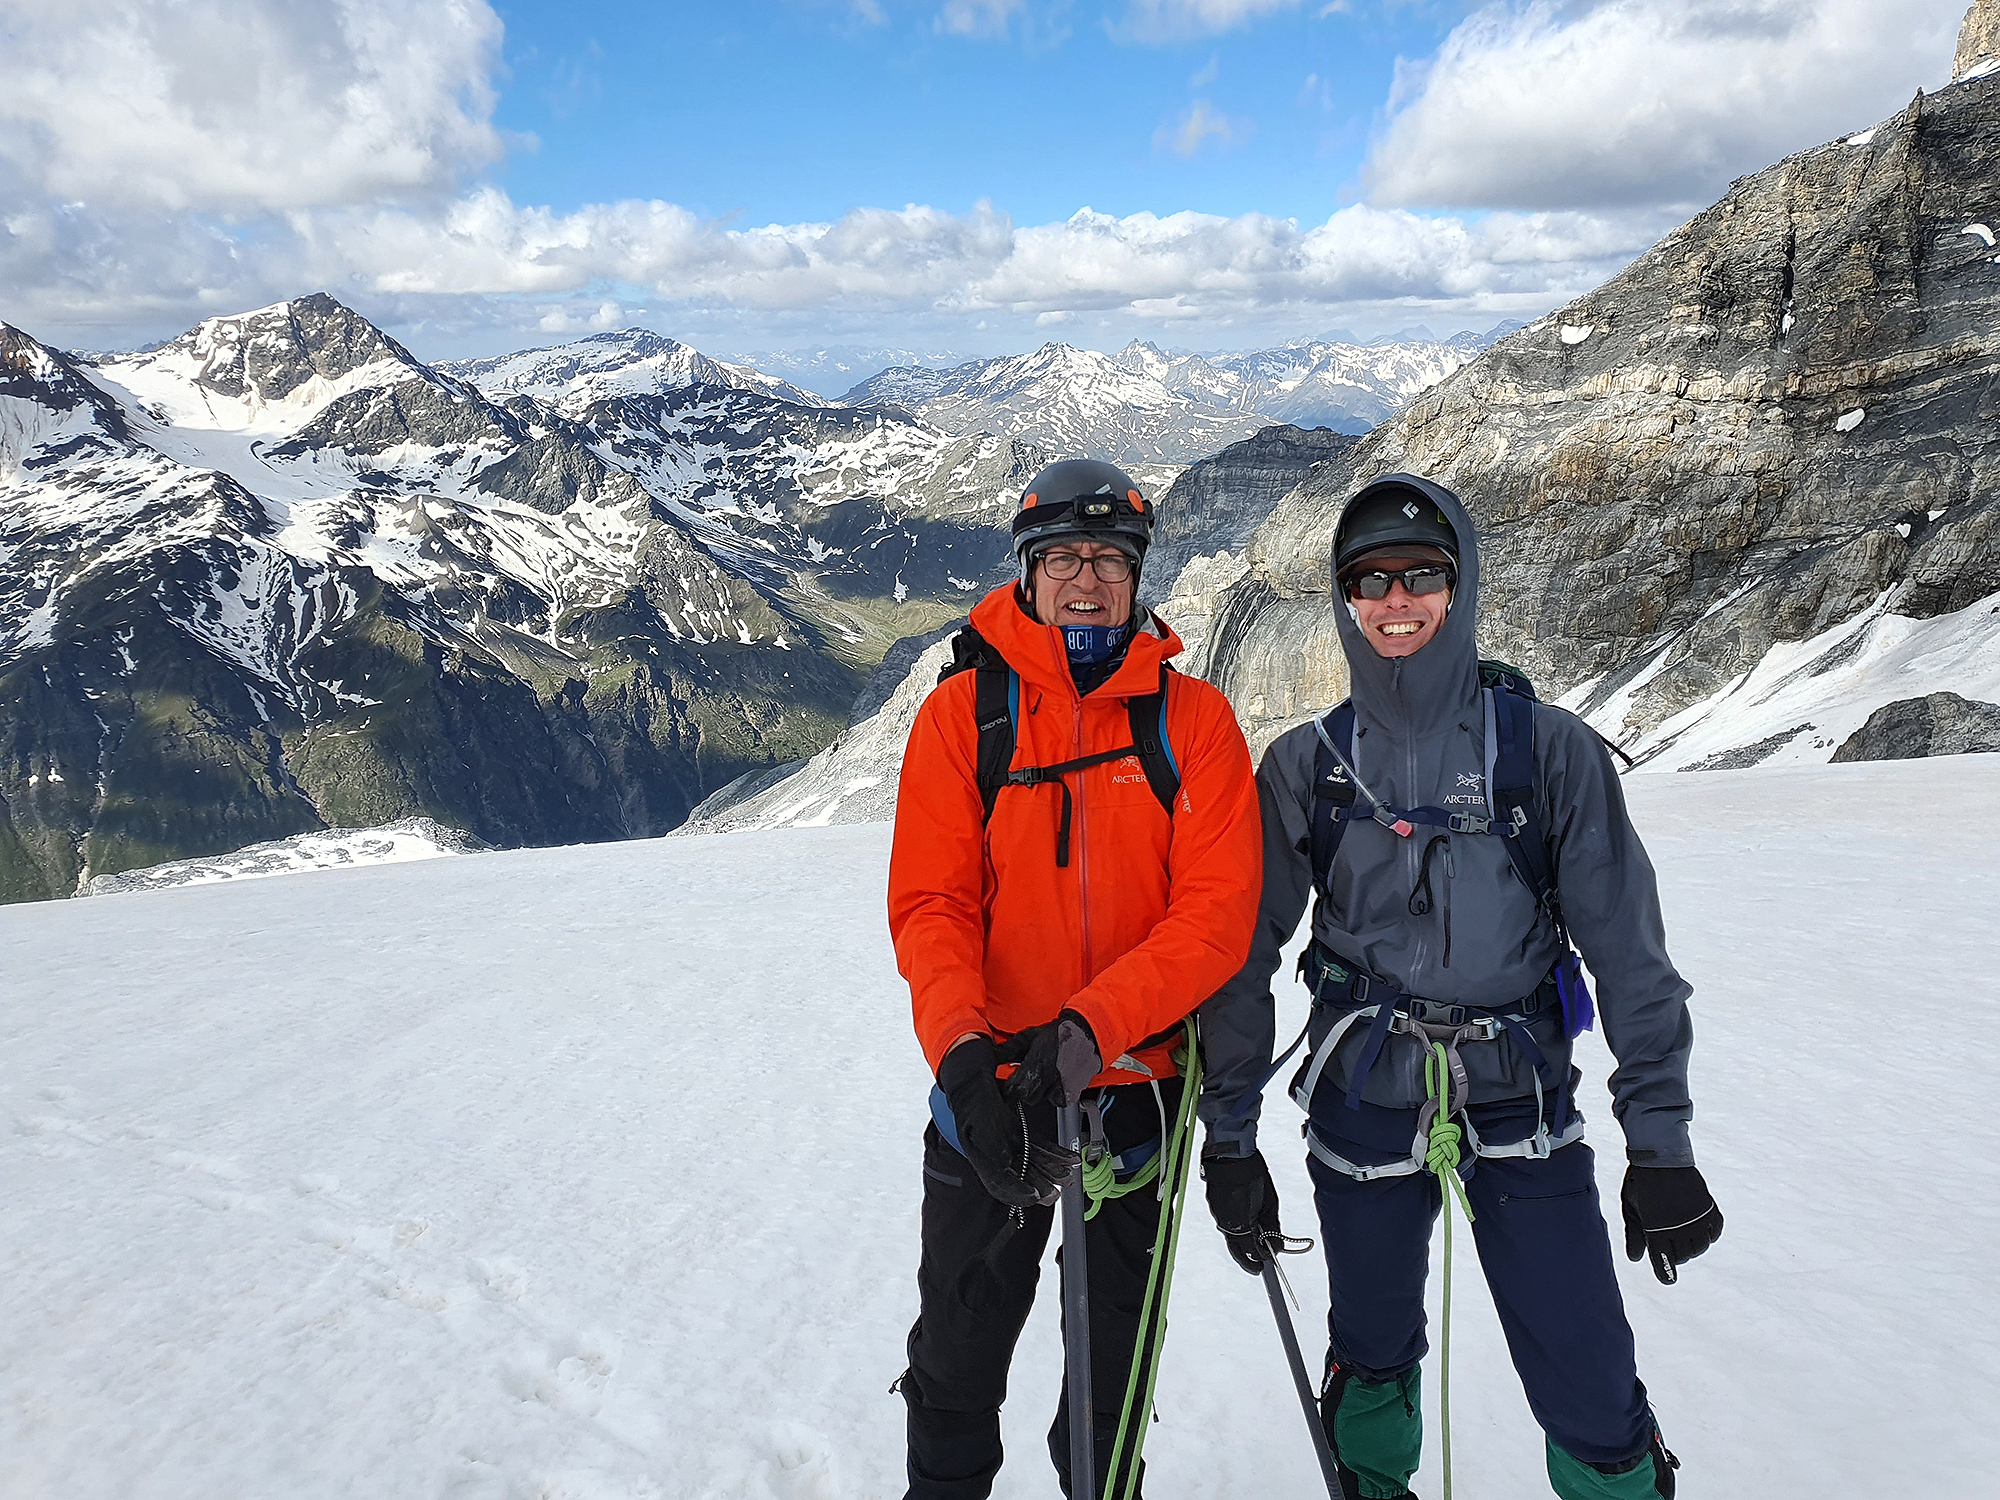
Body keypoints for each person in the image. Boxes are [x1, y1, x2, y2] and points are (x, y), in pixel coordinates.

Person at [1200, 472, 1722, 1500]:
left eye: (1421, 575)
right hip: (1363, 1095)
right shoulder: (1305, 767)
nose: (1395, 600)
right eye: (1370, 580)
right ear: (1345, 599)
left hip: (1519, 1094)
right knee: (1371, 1349)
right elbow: (1239, 957)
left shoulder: (1548, 753)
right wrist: (1227, 1137)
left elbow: (1629, 956)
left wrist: (1660, 1146)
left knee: (1585, 1370)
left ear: (1459, 584)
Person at [886, 458, 1264, 1500]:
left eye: (1108, 558)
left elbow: (1214, 917)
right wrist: (963, 1054)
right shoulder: (964, 717)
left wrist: (1089, 1030)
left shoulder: (1193, 724)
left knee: (1110, 1388)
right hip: (996, 1090)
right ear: (1027, 571)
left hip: (1133, 1092)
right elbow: (933, 907)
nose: (1086, 580)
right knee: (956, 1362)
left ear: (1137, 575)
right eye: (1062, 558)